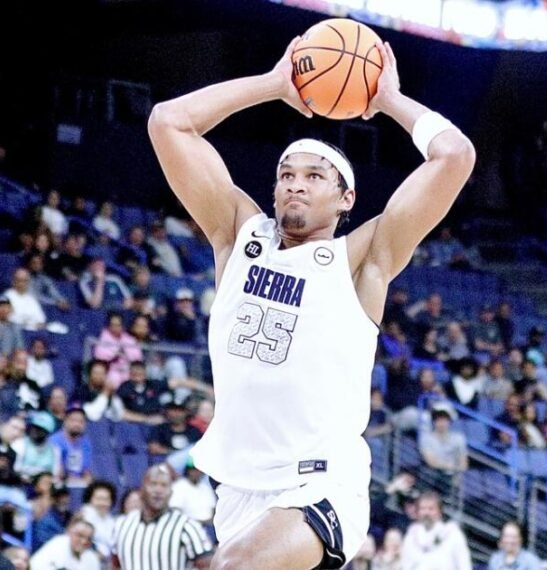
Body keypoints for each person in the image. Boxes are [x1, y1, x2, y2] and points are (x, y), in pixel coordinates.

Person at [149, 32, 474, 568]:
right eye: (286, 175)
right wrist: (274, 85)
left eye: (314, 176)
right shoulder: (237, 235)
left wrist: (388, 99)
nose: (294, 185)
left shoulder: (361, 259)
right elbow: (168, 122)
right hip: (237, 488)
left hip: (321, 484)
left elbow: (455, 155)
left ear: (346, 197)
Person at [112, 464, 212, 569]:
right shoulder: (122, 524)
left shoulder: (187, 526)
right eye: (153, 484)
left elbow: (207, 566)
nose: (158, 490)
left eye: (164, 485)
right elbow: (115, 564)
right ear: (141, 490)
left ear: (171, 492)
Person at [400, 492, 471, 570]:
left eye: (431, 509)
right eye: (422, 509)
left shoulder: (453, 533)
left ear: (440, 512)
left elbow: (464, 564)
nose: (426, 513)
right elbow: (405, 564)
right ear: (418, 512)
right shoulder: (411, 534)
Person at [30, 518, 99, 570]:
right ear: (70, 533)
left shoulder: (92, 558)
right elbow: (35, 566)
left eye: (89, 538)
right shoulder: (59, 543)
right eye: (80, 535)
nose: (84, 541)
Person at [81, 480, 118, 564]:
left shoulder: (111, 520)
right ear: (90, 499)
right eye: (98, 499)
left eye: (106, 499)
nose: (102, 503)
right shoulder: (83, 517)